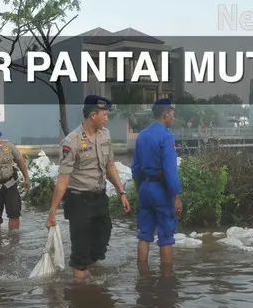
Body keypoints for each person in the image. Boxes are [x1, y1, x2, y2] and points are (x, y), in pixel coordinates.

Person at [46, 95, 131, 279]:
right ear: (93, 115)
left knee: (101, 243)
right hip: (79, 200)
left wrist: (121, 191)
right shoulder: (71, 142)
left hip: (99, 196)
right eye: (104, 114)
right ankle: (81, 289)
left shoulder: (104, 135)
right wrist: (53, 211)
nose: (107, 118)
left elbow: (109, 165)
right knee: (81, 250)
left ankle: (86, 274)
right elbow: (63, 180)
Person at [132, 98, 183, 273]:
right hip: (161, 191)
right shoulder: (166, 136)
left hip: (145, 188)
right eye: (172, 114)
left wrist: (139, 189)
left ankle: (142, 276)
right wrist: (176, 195)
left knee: (144, 234)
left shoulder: (142, 135)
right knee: (166, 236)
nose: (173, 118)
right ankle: (167, 281)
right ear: (166, 114)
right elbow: (170, 170)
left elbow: (136, 168)